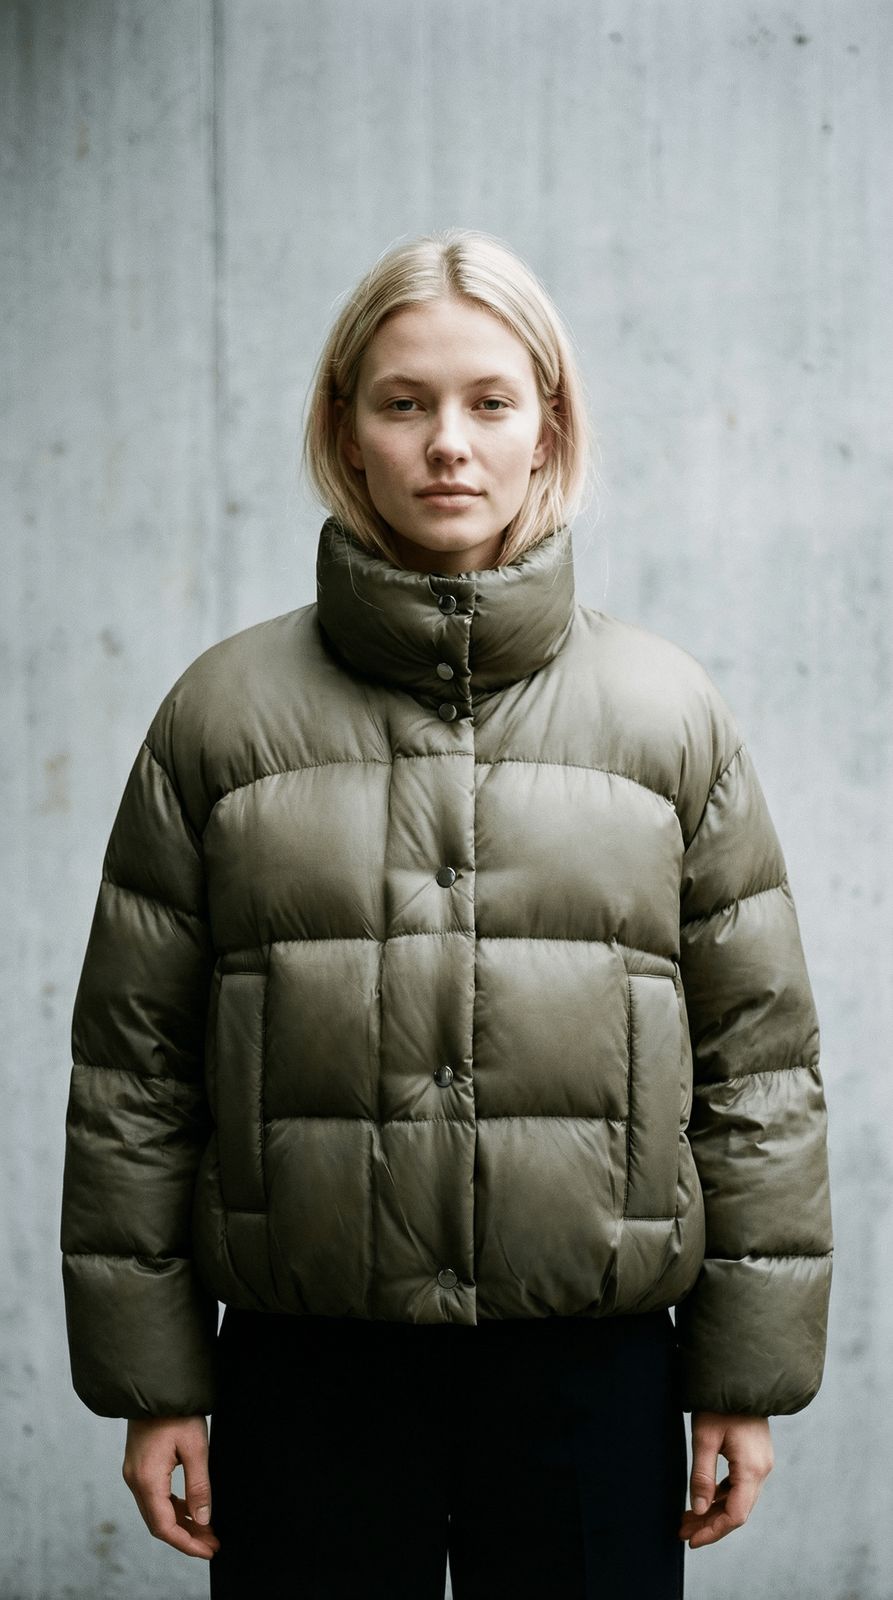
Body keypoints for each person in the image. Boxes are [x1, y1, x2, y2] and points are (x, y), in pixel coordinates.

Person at [60, 228, 833, 1599]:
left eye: (490, 401)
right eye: (403, 402)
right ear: (344, 432)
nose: (448, 445)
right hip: (307, 1374)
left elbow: (757, 1071)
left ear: (549, 428)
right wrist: (153, 1382)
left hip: (592, 1373)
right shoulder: (218, 720)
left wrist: (743, 1374)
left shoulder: (668, 720)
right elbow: (136, 1076)